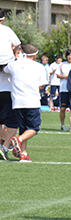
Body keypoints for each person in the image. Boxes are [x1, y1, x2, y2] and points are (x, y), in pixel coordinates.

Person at [2, 44, 47, 162]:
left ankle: (23, 154)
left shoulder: (14, 65)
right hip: (32, 101)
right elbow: (41, 85)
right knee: (34, 129)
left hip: (17, 102)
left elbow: (4, 69)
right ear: (35, 55)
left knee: (23, 128)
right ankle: (18, 140)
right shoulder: (39, 67)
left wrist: (15, 55)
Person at [0, 9, 21, 160]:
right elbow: (18, 45)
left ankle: (3, 143)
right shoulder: (6, 30)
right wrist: (15, 56)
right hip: (8, 88)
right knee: (14, 121)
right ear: (4, 18)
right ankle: (5, 145)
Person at [57, 49, 71, 131]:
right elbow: (58, 75)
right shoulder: (62, 64)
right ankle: (62, 124)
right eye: (69, 55)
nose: (70, 57)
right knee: (62, 108)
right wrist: (67, 77)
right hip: (63, 89)